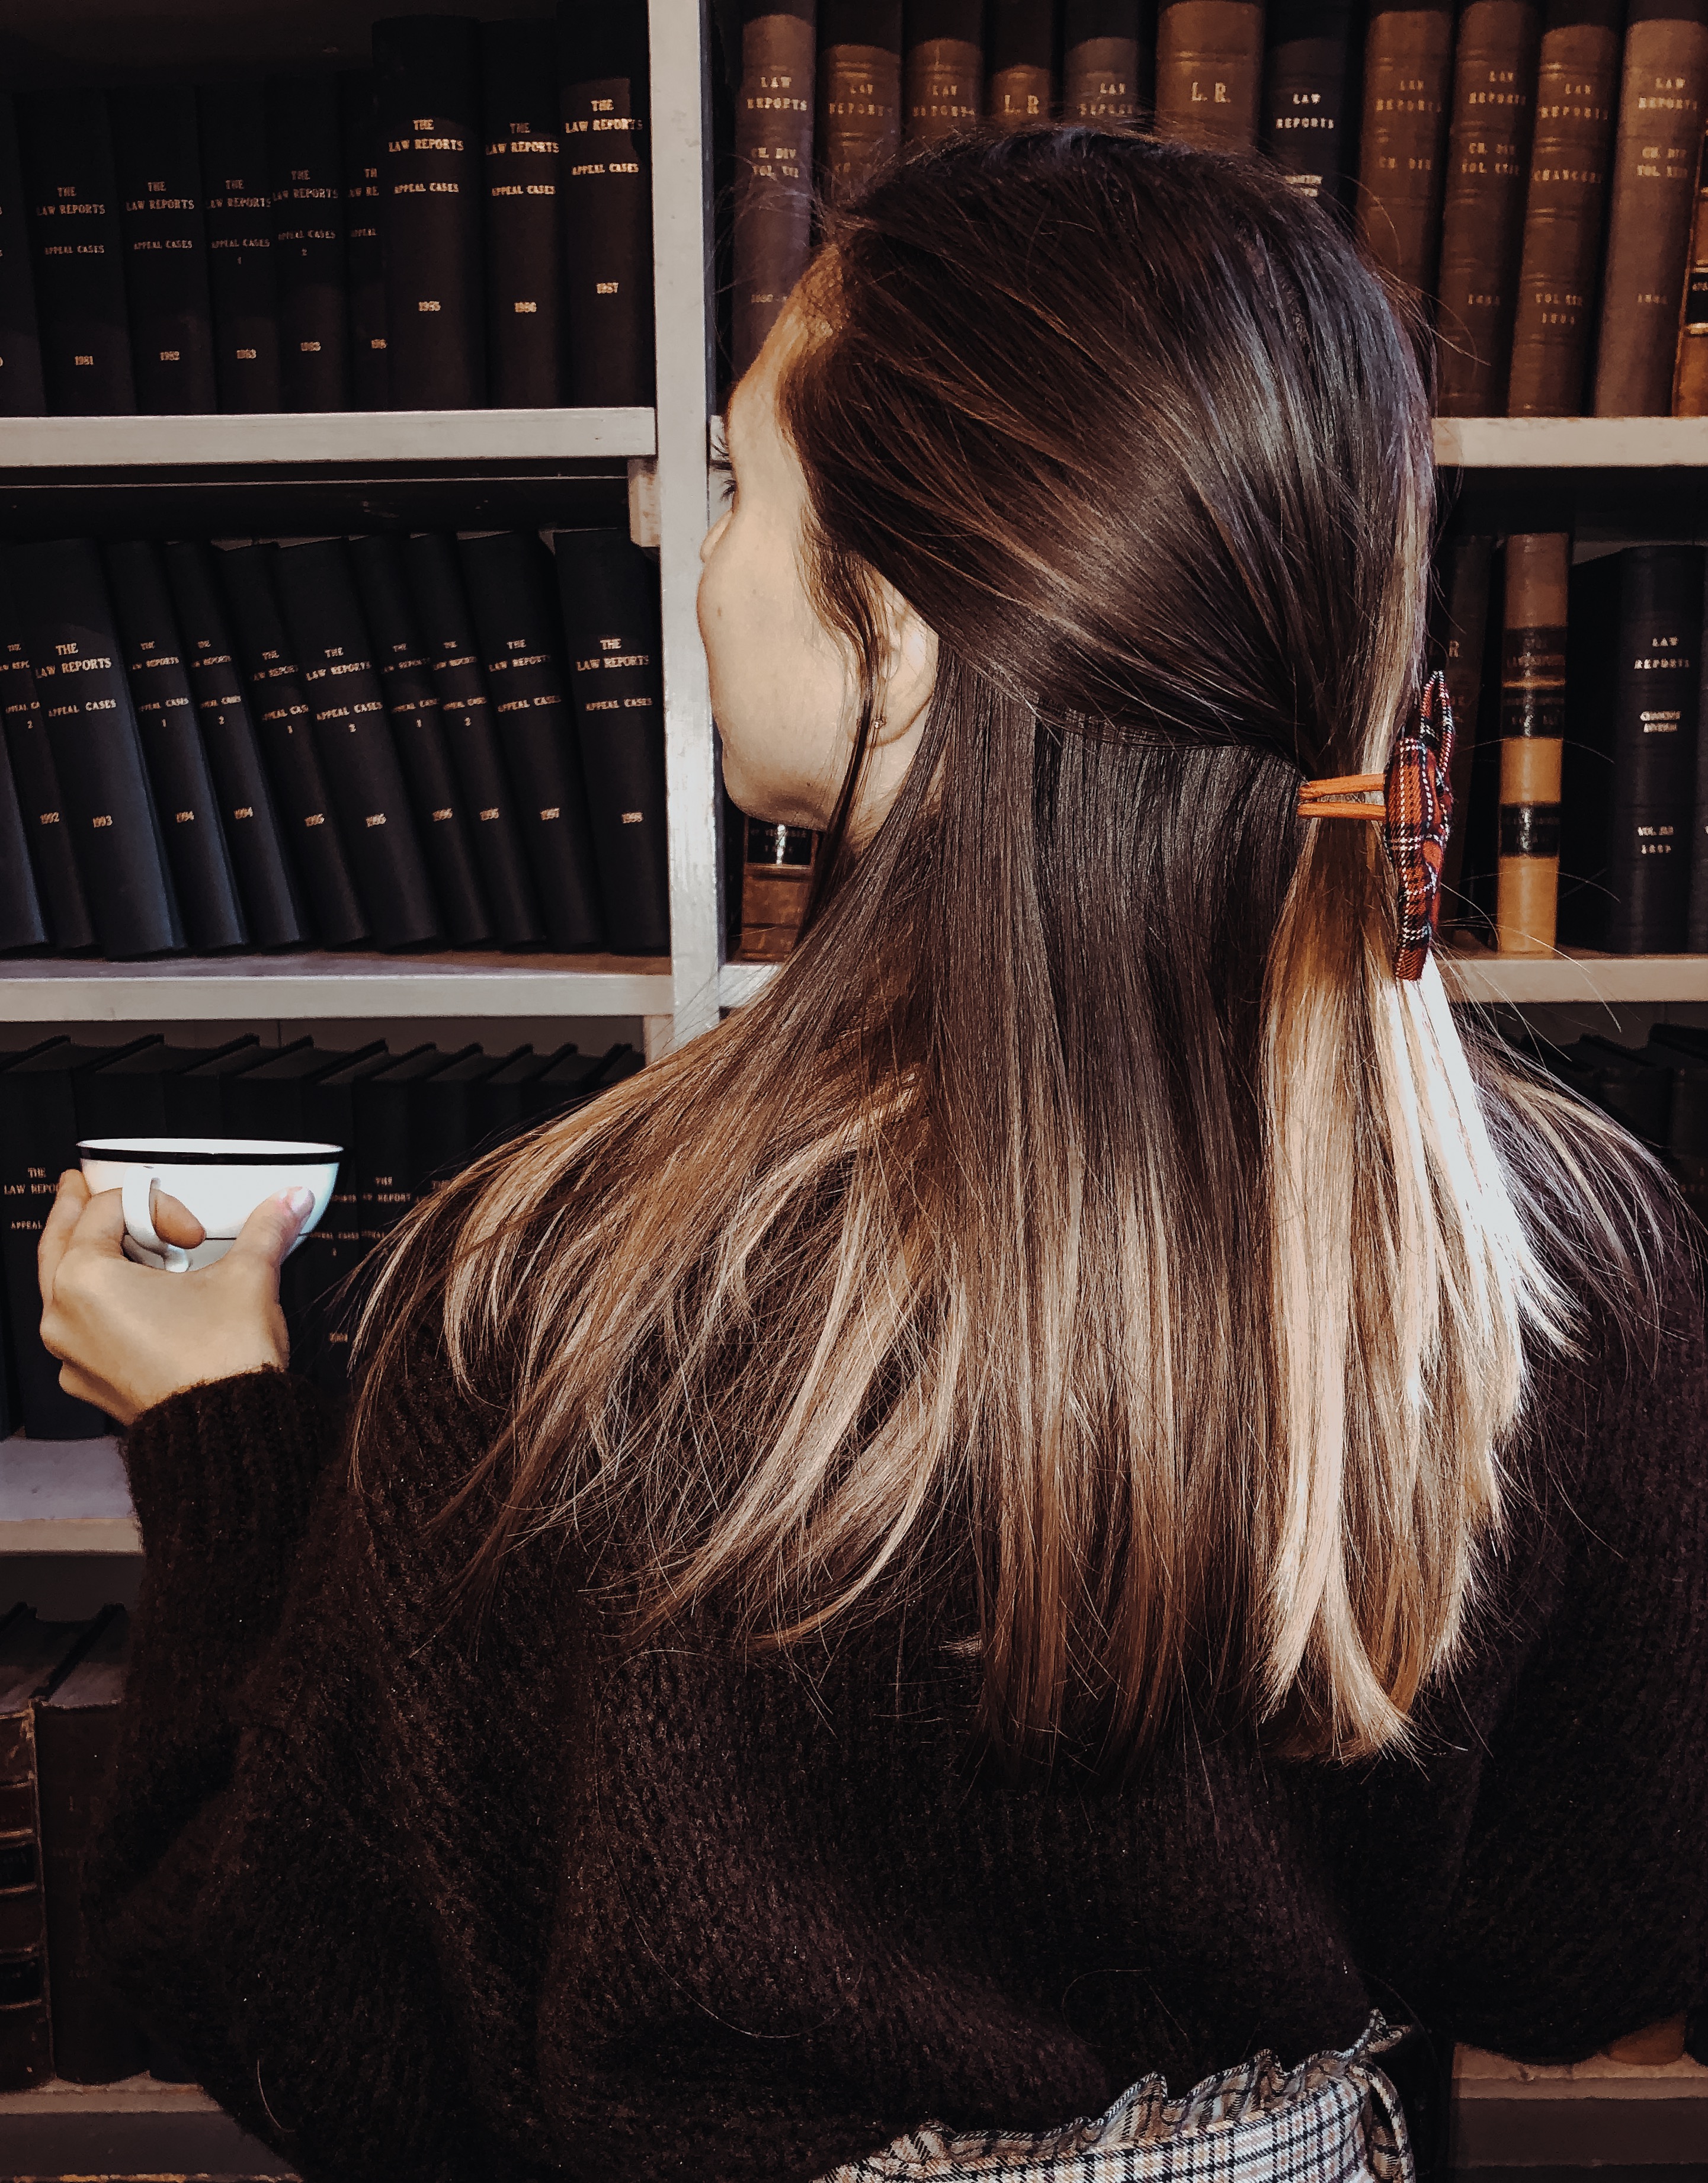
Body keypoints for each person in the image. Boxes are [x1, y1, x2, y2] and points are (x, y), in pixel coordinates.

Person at [37, 129, 1707, 2183]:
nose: (706, 553)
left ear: (900, 618)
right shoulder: (1563, 1254)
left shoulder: (577, 1293)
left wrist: (216, 1430)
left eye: (741, 484)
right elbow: (1569, 1953)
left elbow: (333, 2040)